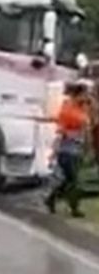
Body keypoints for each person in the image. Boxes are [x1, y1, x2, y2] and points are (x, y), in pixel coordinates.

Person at [46, 82, 90, 218]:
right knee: (73, 180)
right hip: (67, 150)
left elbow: (85, 127)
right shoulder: (67, 109)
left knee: (70, 180)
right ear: (78, 94)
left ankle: (52, 198)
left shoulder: (82, 108)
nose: (86, 97)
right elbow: (61, 131)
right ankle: (72, 207)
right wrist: (54, 152)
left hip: (77, 149)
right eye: (84, 94)